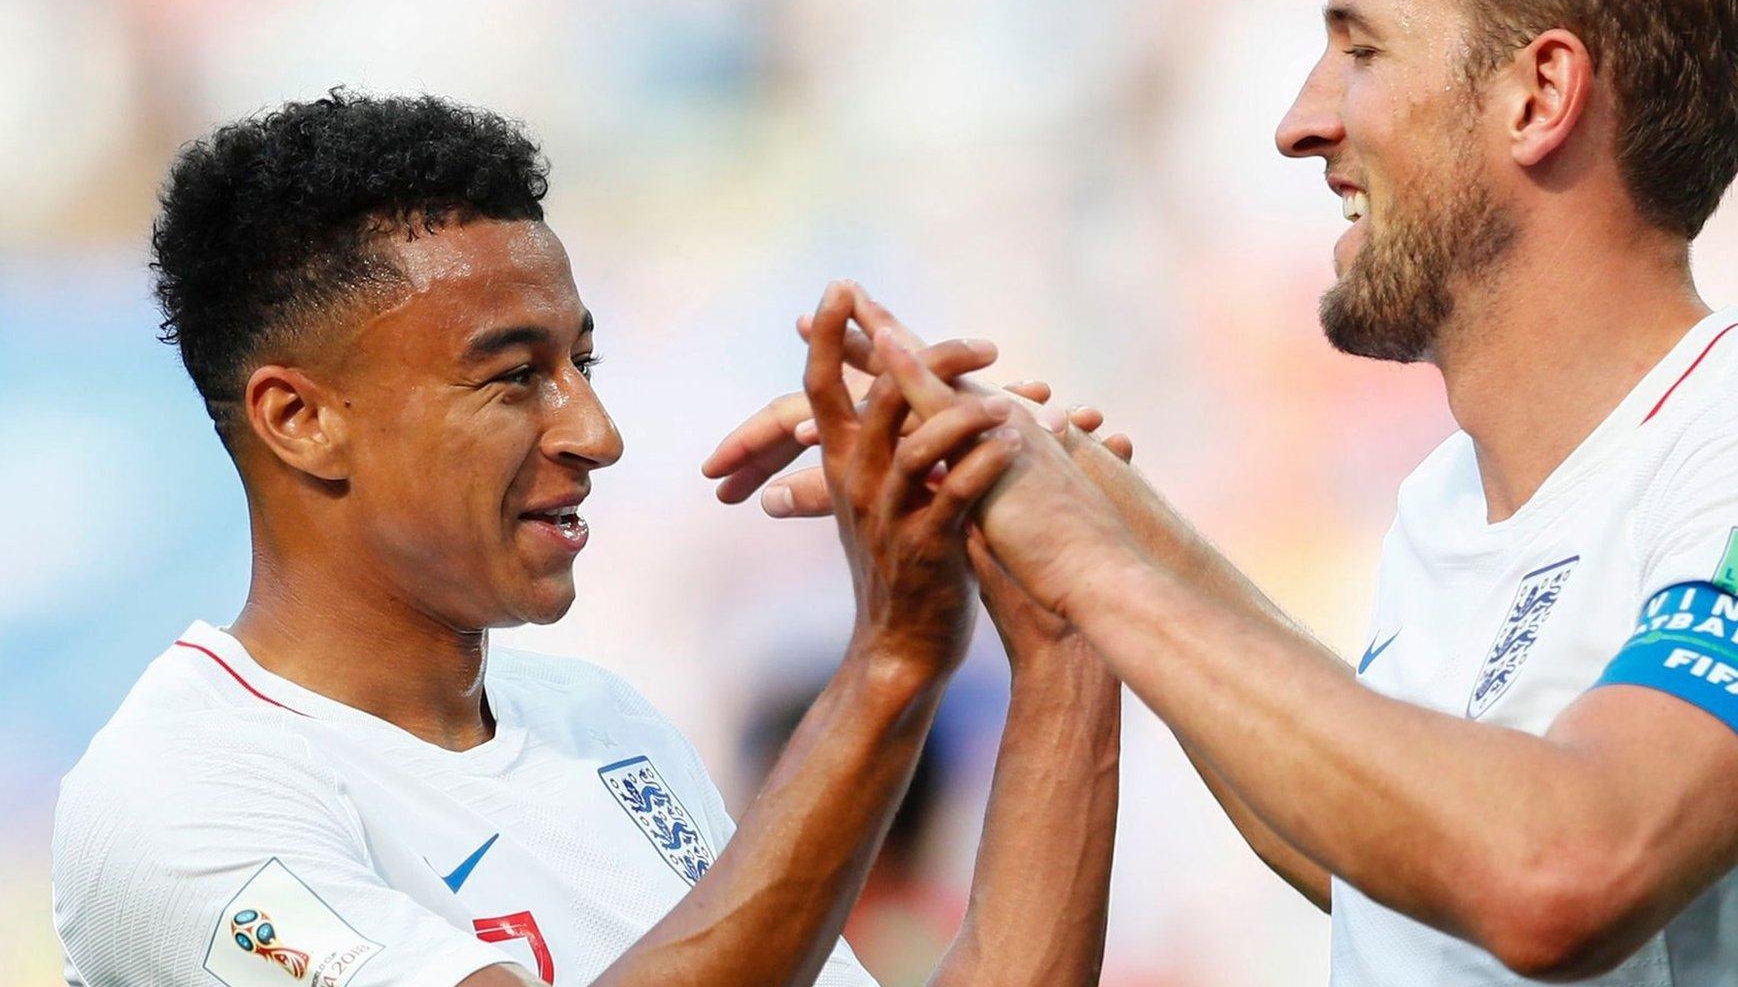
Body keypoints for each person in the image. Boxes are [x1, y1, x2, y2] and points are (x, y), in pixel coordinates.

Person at [717, 0, 1738, 983]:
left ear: (1539, 96)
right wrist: (1064, 495)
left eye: (1362, 48)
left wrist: (1102, 563)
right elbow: (1395, 873)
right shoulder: (1454, 504)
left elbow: (1563, 874)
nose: (1300, 121)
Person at [51, 93, 1121, 987]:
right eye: (515, 375)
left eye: (583, 365)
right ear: (302, 420)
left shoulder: (603, 726)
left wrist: (1068, 632)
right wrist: (890, 659)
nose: (595, 432)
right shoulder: (176, 799)